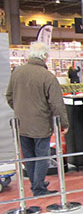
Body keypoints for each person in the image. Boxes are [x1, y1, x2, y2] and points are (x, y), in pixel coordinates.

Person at [5, 42, 69, 196]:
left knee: (28, 155)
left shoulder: (17, 73)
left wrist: (20, 110)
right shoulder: (47, 76)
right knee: (42, 155)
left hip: (21, 122)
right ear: (45, 56)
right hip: (41, 122)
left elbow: (9, 96)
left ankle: (36, 183)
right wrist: (64, 123)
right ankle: (39, 187)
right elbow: (56, 103)